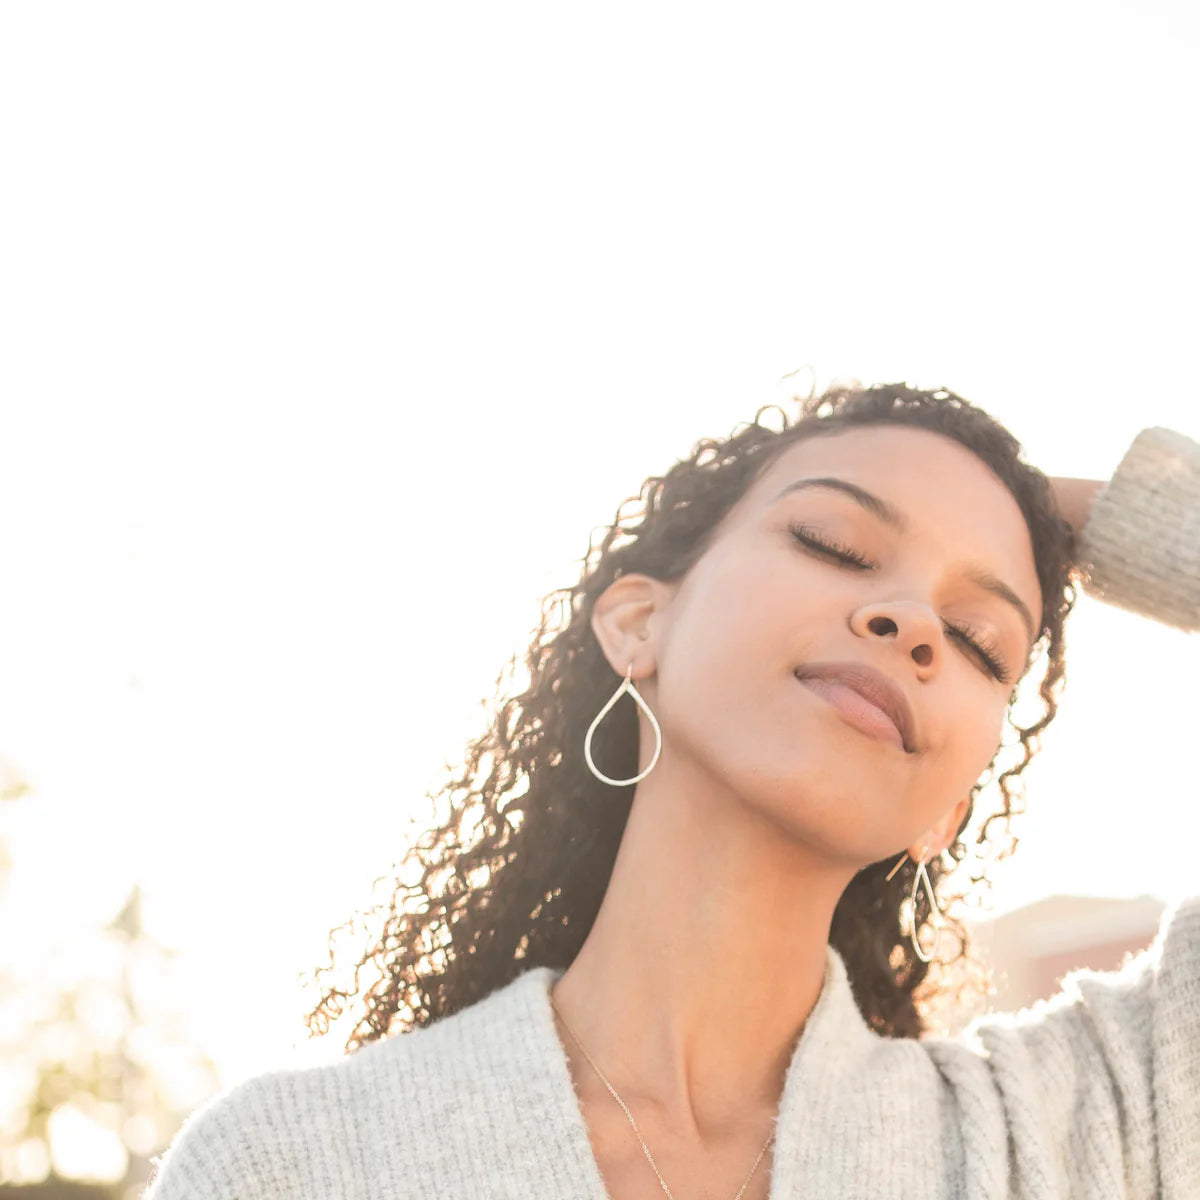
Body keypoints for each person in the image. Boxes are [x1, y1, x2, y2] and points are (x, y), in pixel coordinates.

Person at [144, 383, 1199, 1199]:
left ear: (950, 809)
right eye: (832, 542)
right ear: (639, 623)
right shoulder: (298, 1163)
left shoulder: (1079, 1128)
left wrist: (1095, 518)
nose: (913, 622)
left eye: (978, 640)